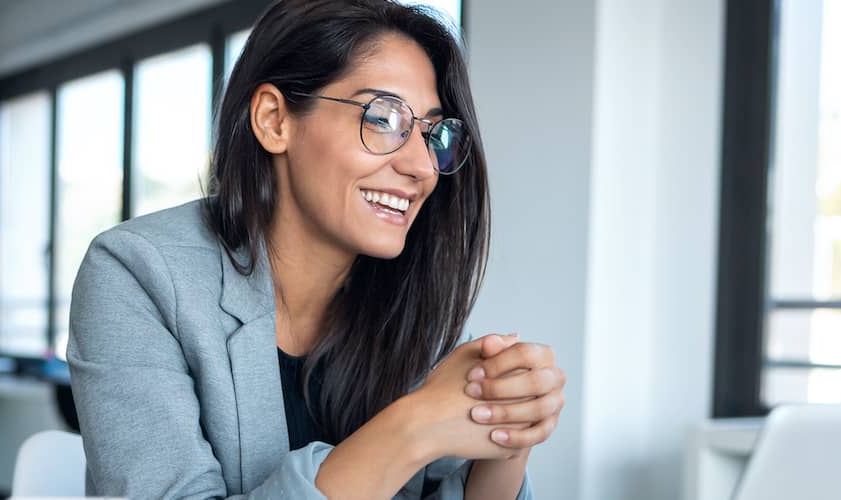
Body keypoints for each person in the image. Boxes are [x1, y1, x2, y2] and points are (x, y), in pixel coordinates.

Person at [66, 0, 567, 498]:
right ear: (274, 120)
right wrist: (414, 425)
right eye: (384, 117)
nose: (422, 166)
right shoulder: (135, 273)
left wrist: (507, 430)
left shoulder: (410, 301)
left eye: (433, 132)